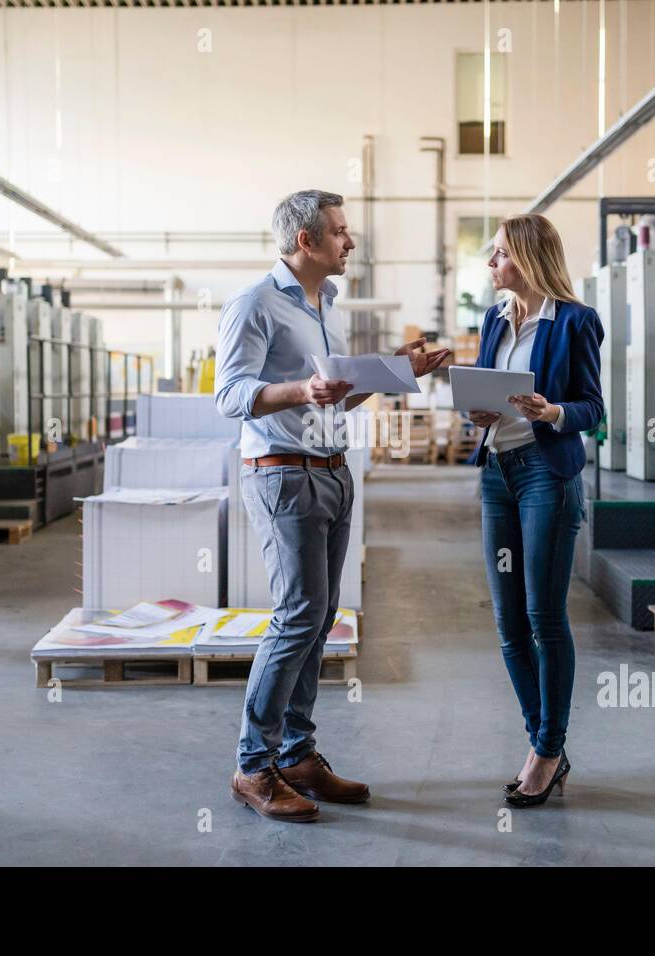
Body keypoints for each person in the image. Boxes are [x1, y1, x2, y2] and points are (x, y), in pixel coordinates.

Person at [215, 189, 448, 823]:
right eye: (341, 232)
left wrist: (399, 370)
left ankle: (297, 754)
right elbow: (230, 395)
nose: (350, 241)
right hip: (283, 476)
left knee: (318, 620)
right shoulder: (254, 304)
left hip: (332, 472)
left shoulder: (326, 304)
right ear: (306, 242)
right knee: (296, 616)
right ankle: (252, 767)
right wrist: (299, 388)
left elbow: (334, 400)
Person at [465, 213, 604, 808]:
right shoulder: (493, 321)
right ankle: (544, 745)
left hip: (547, 476)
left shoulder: (575, 321)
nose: (491, 264)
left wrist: (551, 413)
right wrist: (478, 413)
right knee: (507, 625)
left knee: (543, 618)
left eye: (498, 254)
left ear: (526, 257)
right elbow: (486, 391)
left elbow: (593, 409)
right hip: (497, 475)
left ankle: (547, 751)